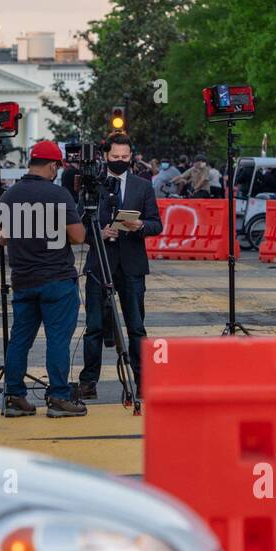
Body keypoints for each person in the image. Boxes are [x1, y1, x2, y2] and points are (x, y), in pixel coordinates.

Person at [0, 140, 87, 418]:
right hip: (56, 278)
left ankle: (14, 396)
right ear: (53, 166)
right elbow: (78, 236)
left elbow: (2, 238)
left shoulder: (10, 195)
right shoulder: (59, 195)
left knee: (19, 340)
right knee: (58, 340)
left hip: (23, 279)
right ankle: (59, 397)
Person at [78, 133, 162, 403]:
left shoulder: (142, 186)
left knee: (136, 326)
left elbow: (156, 224)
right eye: (116, 157)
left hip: (132, 263)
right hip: (99, 262)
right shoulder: (93, 185)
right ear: (105, 156)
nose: (121, 161)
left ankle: (142, 381)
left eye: (125, 157)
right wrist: (97, 234)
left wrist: (140, 226)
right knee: (93, 327)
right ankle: (89, 382)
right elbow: (76, 226)